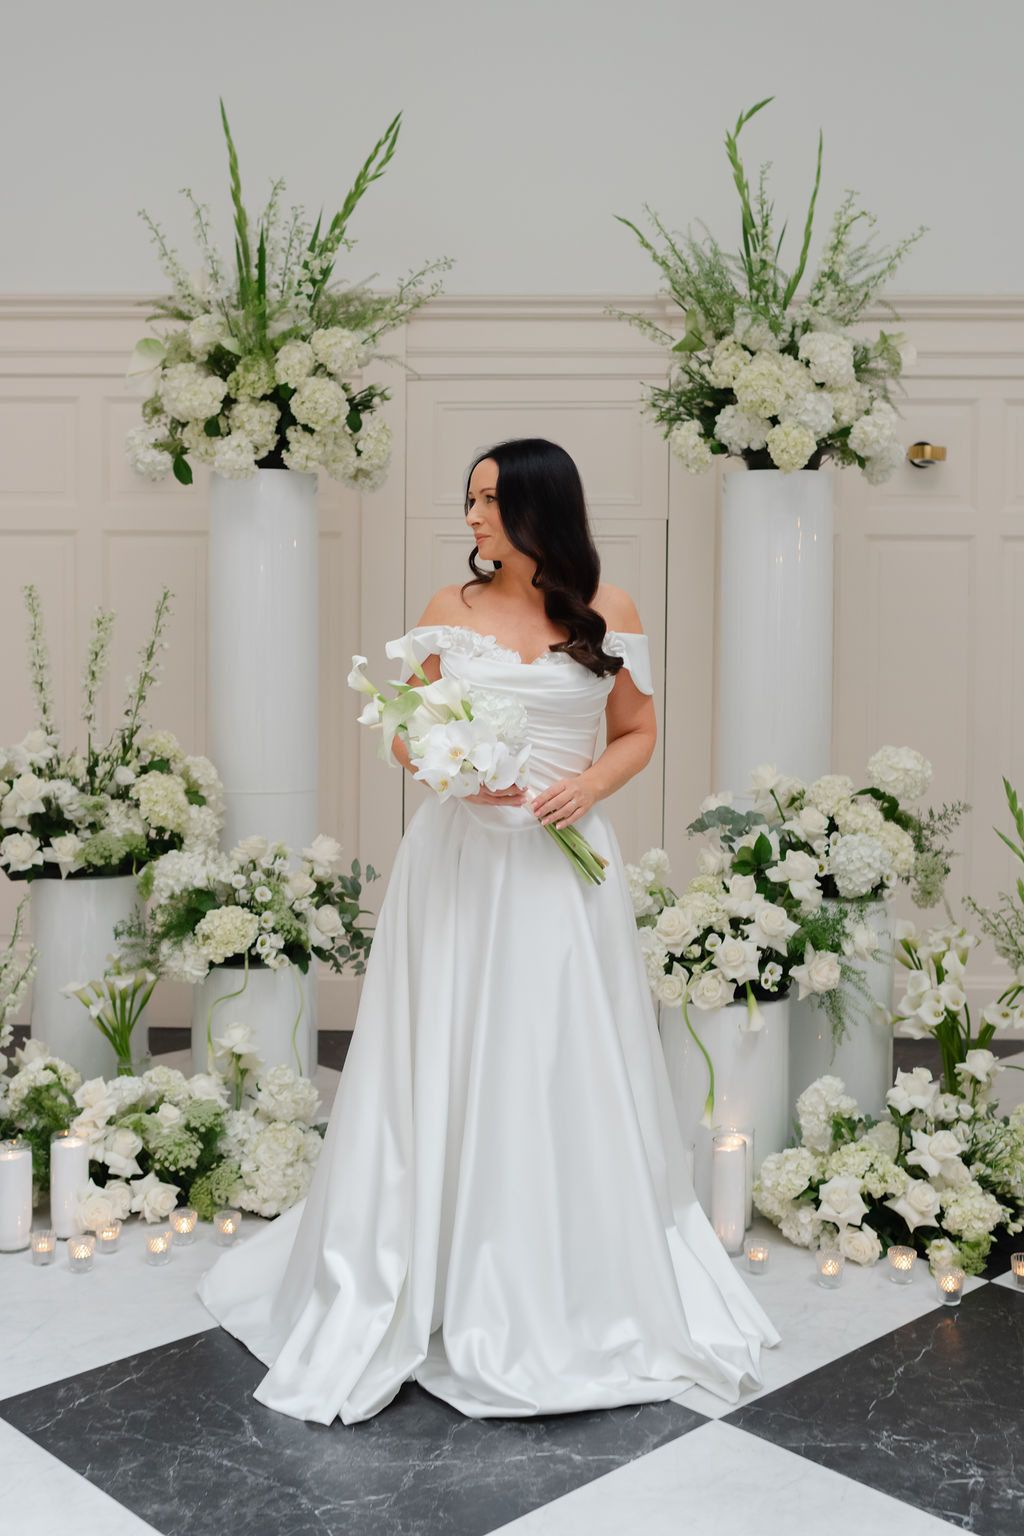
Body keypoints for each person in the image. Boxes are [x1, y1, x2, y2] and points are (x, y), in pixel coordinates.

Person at [199, 437, 778, 1424]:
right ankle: (428, 1260)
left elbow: (638, 730)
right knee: (449, 1052)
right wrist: (446, 765)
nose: (470, 521)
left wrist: (587, 782)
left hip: (561, 872)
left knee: (552, 1053)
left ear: (539, 510)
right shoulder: (447, 609)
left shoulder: (612, 613)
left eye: (487, 503)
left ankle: (554, 1273)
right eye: (467, 501)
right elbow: (401, 728)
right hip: (461, 864)